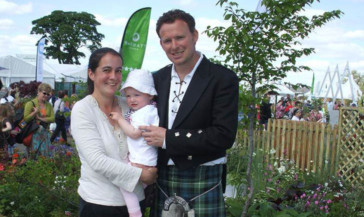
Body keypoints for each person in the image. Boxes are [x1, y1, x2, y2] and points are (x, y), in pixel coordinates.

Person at [139, 10, 239, 217]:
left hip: (203, 176)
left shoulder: (222, 78)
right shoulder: (157, 79)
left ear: (194, 35)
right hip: (163, 177)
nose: (174, 46)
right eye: (167, 40)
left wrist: (168, 138)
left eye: (180, 37)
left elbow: (223, 135)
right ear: (161, 44)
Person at [71, 47, 157, 217]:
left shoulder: (130, 105)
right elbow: (97, 160)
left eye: (118, 71)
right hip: (99, 204)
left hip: (135, 202)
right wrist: (142, 174)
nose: (114, 77)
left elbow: (152, 135)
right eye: (106, 70)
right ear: (91, 74)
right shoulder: (83, 109)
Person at [109, 69, 159, 217]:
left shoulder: (145, 112)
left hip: (141, 161)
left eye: (137, 95)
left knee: (124, 184)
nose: (131, 99)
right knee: (134, 189)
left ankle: (135, 213)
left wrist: (119, 119)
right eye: (129, 95)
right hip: (144, 160)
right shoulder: (148, 109)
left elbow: (135, 133)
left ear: (150, 95)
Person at [23, 83, 54, 157]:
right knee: (34, 155)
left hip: (45, 133)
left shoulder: (49, 105)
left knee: (45, 155)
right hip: (34, 134)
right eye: (44, 93)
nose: (46, 96)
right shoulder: (30, 104)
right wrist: (34, 112)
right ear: (39, 92)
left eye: (48, 94)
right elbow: (26, 119)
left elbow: (52, 118)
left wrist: (40, 118)